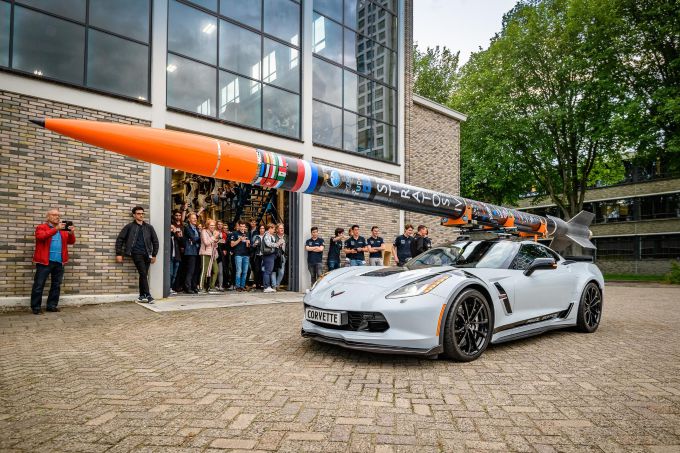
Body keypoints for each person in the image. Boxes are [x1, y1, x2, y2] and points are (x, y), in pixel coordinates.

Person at [30, 208, 76, 314]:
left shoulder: (63, 230)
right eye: (54, 215)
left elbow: (71, 242)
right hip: (44, 262)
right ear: (48, 217)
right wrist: (56, 229)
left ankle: (51, 306)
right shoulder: (41, 227)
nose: (57, 217)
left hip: (59, 262)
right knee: (39, 285)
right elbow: (41, 237)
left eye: (58, 215)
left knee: (56, 285)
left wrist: (71, 233)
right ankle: (36, 307)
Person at [115, 206, 160, 303]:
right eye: (139, 214)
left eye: (142, 213)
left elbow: (155, 241)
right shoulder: (129, 227)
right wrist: (119, 253)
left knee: (143, 275)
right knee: (143, 273)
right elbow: (120, 239)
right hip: (136, 253)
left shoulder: (149, 227)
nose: (141, 215)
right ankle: (148, 295)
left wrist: (154, 254)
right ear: (134, 215)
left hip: (147, 254)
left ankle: (141, 296)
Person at [199, 219, 220, 293]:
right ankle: (201, 287)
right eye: (211, 225)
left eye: (214, 225)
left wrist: (216, 241)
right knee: (204, 270)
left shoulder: (213, 232)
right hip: (205, 253)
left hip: (212, 254)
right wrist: (214, 237)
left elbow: (213, 243)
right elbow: (206, 242)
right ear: (207, 225)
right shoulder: (204, 231)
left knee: (216, 270)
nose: (213, 226)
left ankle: (211, 286)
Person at [229, 220, 251, 291]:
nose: (242, 228)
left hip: (246, 255)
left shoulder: (247, 234)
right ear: (239, 226)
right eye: (241, 226)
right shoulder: (234, 233)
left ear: (245, 227)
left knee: (245, 271)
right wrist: (239, 239)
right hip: (238, 254)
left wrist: (248, 243)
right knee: (239, 271)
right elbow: (232, 244)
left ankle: (242, 286)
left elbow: (248, 246)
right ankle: (237, 286)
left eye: (243, 226)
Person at [183, 212, 201, 294]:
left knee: (196, 270)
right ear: (189, 219)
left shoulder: (196, 228)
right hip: (190, 251)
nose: (195, 219)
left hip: (197, 251)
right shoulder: (187, 227)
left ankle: (194, 287)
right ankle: (188, 287)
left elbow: (196, 239)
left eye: (195, 218)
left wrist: (196, 239)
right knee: (190, 270)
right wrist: (199, 237)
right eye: (193, 218)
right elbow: (193, 238)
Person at [169, 210, 184, 294]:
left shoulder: (176, 236)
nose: (172, 229)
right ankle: (168, 287)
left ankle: (171, 287)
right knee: (170, 273)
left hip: (177, 255)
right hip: (170, 256)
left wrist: (179, 236)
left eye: (173, 228)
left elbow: (182, 243)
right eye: (171, 228)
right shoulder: (168, 236)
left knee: (175, 273)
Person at [261, 223, 278, 293]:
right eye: (273, 229)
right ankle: (266, 287)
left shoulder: (270, 235)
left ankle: (268, 286)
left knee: (269, 271)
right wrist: (277, 244)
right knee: (268, 271)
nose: (274, 230)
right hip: (268, 254)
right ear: (270, 228)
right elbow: (268, 244)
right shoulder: (267, 235)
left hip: (270, 254)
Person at [272, 223, 287, 289]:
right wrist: (278, 244)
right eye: (280, 228)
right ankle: (274, 286)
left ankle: (277, 284)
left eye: (282, 228)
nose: (282, 229)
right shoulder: (273, 236)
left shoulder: (286, 237)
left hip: (283, 256)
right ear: (277, 229)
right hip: (275, 256)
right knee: (273, 271)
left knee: (281, 272)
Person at [251, 224, 265, 290]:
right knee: (257, 270)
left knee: (263, 270)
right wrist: (254, 244)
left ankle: (262, 283)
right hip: (257, 255)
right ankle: (257, 284)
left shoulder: (266, 236)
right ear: (259, 230)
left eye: (263, 228)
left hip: (264, 255)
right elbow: (252, 246)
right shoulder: (256, 237)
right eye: (261, 228)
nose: (262, 230)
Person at [215, 221, 227, 291]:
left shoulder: (224, 234)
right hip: (213, 253)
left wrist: (225, 250)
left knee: (220, 271)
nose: (219, 226)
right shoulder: (213, 232)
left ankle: (220, 285)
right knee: (214, 271)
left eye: (221, 224)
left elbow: (225, 244)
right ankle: (213, 285)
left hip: (220, 254)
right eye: (218, 224)